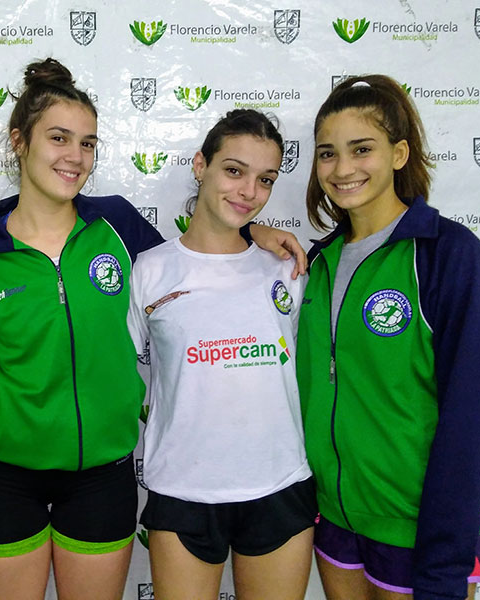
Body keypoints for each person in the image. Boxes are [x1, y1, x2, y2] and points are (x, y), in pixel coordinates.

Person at [0, 60, 307, 600]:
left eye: (88, 143)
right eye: (58, 138)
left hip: (102, 475)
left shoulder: (118, 226)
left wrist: (253, 229)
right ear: (19, 141)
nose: (75, 156)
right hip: (5, 474)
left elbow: (196, 262)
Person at [296, 75, 480, 600]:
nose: (342, 169)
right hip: (334, 522)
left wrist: (446, 555)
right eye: (327, 153)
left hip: (419, 531)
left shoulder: (448, 254)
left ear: (399, 153)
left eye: (361, 148)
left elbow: (472, 417)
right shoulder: (316, 263)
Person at [126, 109, 316, 600]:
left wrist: (256, 235)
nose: (249, 191)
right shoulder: (149, 270)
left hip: (279, 485)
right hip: (183, 491)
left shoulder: (288, 268)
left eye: (265, 179)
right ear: (200, 165)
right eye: (234, 170)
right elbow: (113, 367)